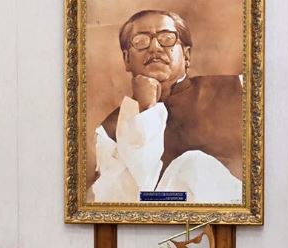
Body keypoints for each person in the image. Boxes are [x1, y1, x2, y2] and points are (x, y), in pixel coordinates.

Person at [90, 9, 243, 203]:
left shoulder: (239, 89)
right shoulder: (109, 131)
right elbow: (122, 199)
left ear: (186, 55)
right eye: (141, 41)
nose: (154, 47)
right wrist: (145, 109)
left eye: (167, 38)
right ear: (127, 59)